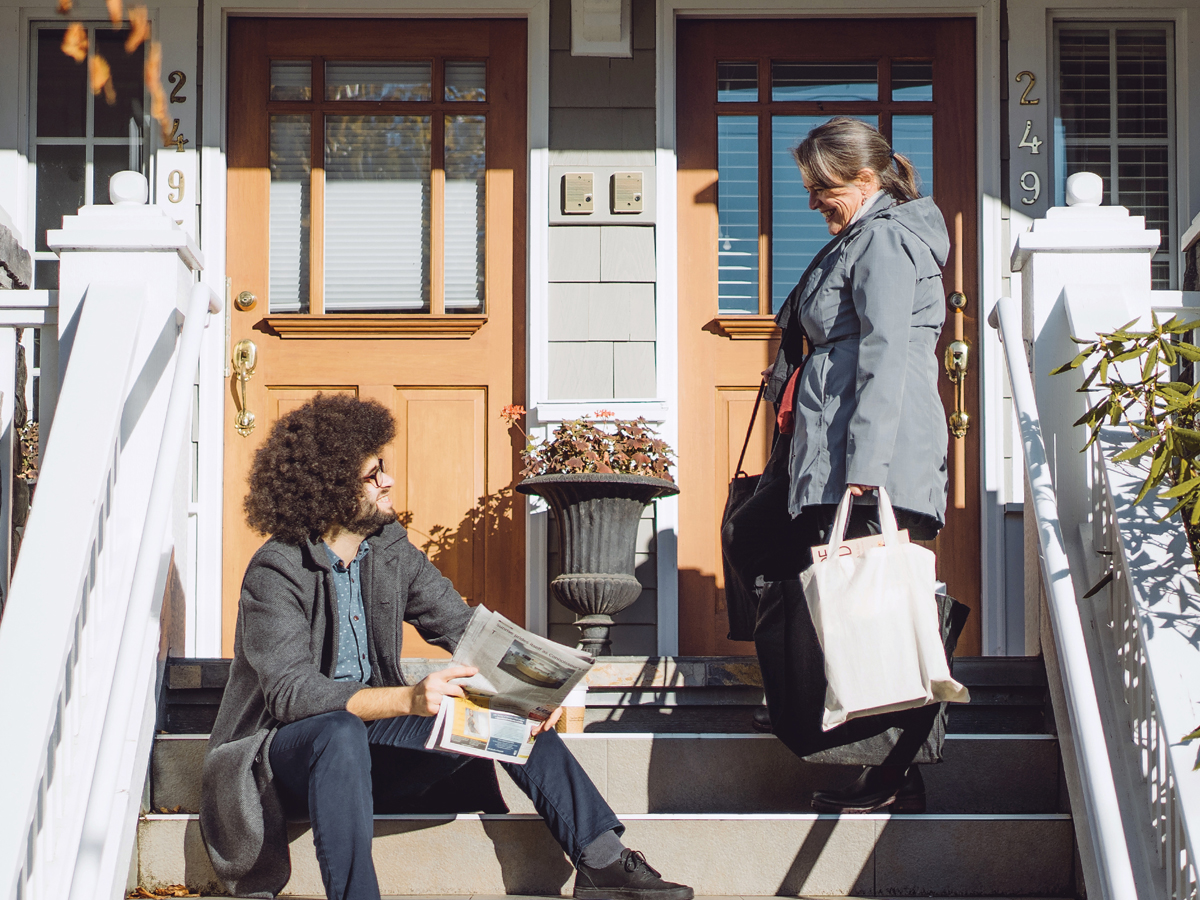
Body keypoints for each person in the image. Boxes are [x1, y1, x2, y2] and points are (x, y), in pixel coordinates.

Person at [200, 393, 694, 900]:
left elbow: (464, 628)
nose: (388, 481)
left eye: (383, 467)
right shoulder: (277, 569)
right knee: (340, 730)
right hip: (285, 756)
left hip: (371, 753)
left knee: (508, 707)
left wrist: (537, 688)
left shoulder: (389, 550)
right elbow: (290, 693)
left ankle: (603, 862)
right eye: (373, 475)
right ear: (327, 490)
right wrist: (407, 698)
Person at [722, 116, 954, 814]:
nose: (813, 200)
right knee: (762, 542)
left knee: (871, 609)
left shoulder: (884, 240)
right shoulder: (857, 238)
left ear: (866, 179)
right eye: (808, 188)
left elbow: (884, 356)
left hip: (865, 458)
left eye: (824, 187)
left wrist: (869, 464)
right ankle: (806, 702)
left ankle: (890, 763)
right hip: (822, 457)